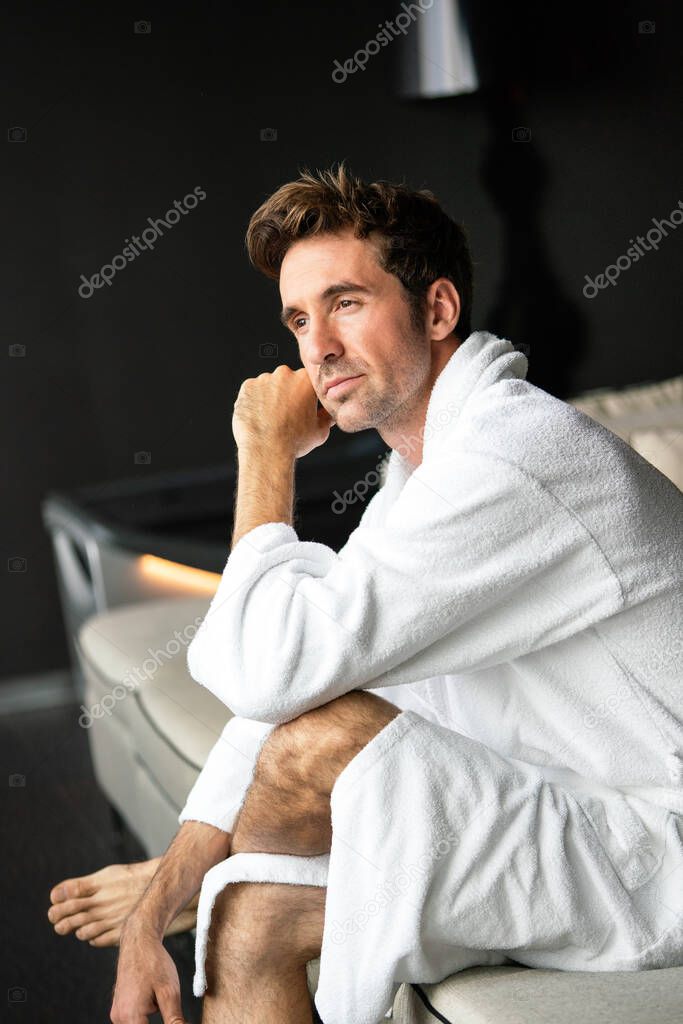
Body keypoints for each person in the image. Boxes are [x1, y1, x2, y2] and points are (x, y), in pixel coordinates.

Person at [49, 163, 683, 1024]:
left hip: (654, 850)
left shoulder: (519, 458)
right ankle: (226, 885)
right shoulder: (421, 474)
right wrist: (172, 889)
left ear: (437, 310)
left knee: (316, 746)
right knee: (248, 922)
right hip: (576, 811)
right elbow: (307, 670)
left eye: (345, 303)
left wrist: (265, 457)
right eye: (299, 320)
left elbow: (274, 677)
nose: (316, 347)